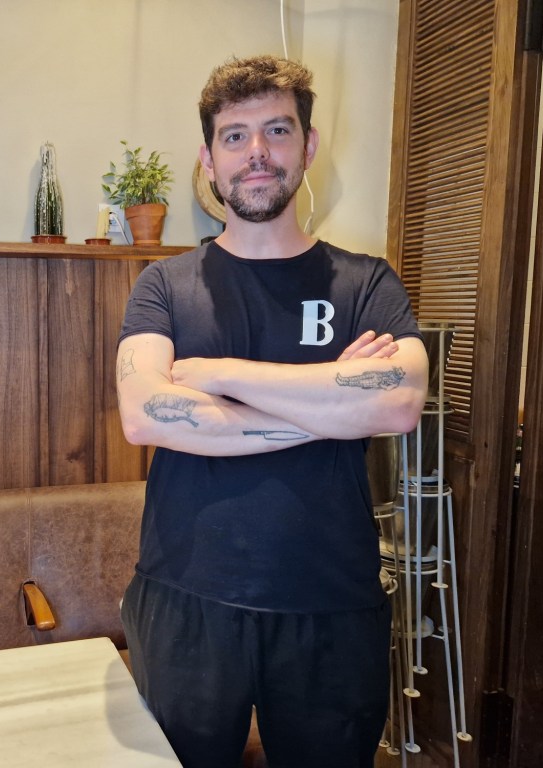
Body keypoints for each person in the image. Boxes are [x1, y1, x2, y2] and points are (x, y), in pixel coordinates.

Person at [116, 54, 428, 768]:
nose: (256, 151)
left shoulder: (366, 283)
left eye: (277, 130)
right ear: (209, 158)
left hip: (332, 604)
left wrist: (221, 375)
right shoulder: (164, 286)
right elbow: (147, 415)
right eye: (235, 136)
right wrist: (331, 404)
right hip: (184, 597)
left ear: (307, 145)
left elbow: (399, 401)